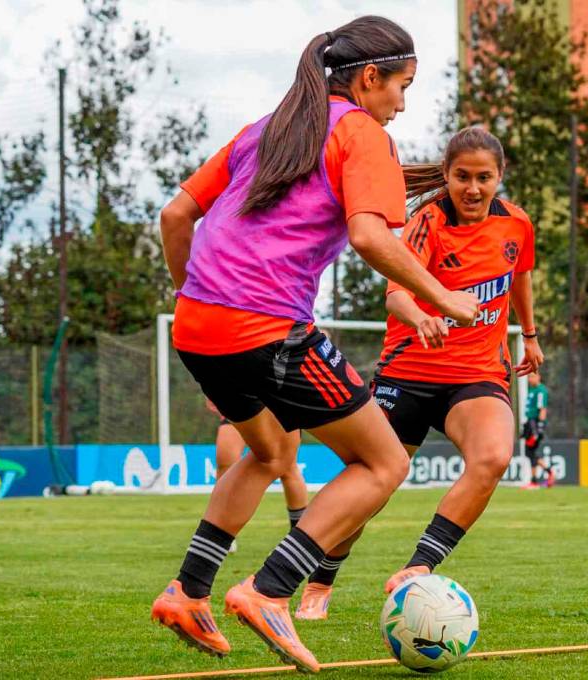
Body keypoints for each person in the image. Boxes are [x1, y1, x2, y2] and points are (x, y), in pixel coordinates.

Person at [150, 16, 478, 672]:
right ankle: (270, 590)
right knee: (383, 462)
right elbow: (369, 236)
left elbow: (174, 215)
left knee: (272, 452)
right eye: (401, 87)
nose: (402, 104)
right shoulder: (361, 133)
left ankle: (187, 590)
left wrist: (197, 292)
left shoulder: (265, 130)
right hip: (263, 326)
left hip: (196, 327)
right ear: (367, 78)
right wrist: (442, 298)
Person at [294, 126, 544, 620]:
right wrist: (423, 316)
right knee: (370, 483)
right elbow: (395, 294)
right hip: (408, 373)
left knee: (493, 457)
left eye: (484, 178)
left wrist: (531, 334)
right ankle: (319, 583)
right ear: (447, 176)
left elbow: (520, 276)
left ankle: (419, 567)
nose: (473, 188)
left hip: (476, 374)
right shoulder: (426, 222)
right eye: (462, 177)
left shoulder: (517, 224)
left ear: (500, 177)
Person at [207, 399, 309, 553]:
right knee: (225, 461)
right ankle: (219, 536)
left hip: (276, 399)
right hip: (242, 398)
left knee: (288, 468)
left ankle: (300, 536)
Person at [520, 371, 554, 489]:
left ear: (539, 377)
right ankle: (548, 472)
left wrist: (539, 427)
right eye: (529, 377)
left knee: (531, 452)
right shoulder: (531, 390)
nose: (530, 379)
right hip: (529, 423)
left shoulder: (541, 390)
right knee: (530, 452)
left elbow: (542, 409)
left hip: (535, 424)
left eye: (532, 376)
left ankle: (534, 481)